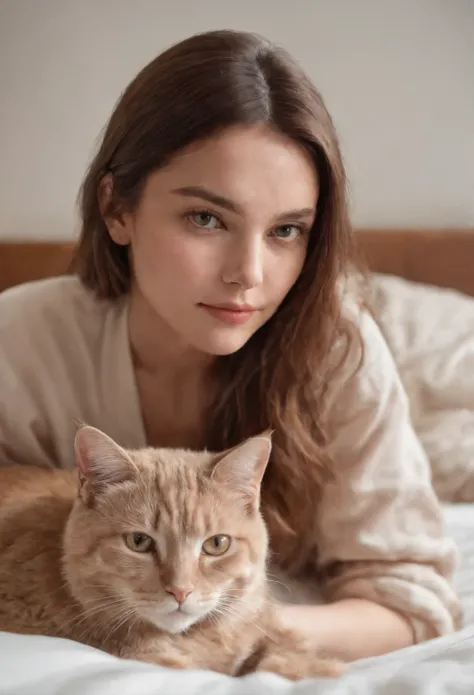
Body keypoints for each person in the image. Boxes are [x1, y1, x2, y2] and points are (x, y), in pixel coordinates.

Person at [0, 29, 461, 661]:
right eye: (207, 219)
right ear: (117, 209)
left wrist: (229, 633)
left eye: (287, 230)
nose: (249, 272)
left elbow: (412, 602)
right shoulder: (20, 342)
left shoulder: (339, 352)